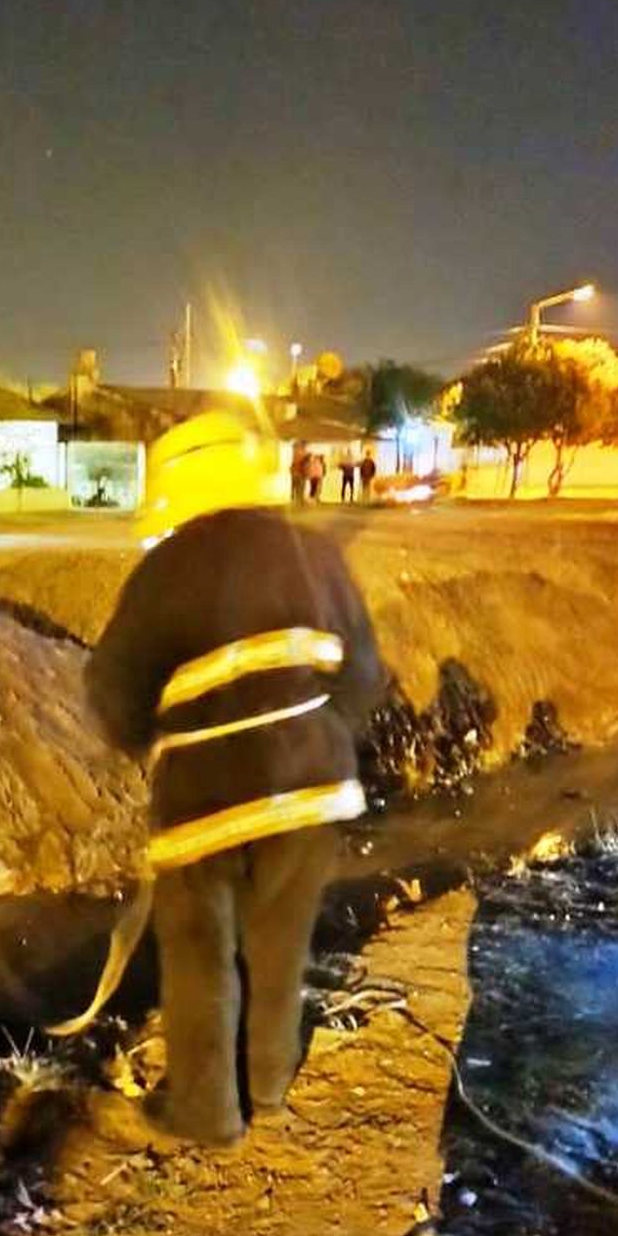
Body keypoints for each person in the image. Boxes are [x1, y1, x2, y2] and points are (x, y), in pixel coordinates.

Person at [86, 412, 383, 1144]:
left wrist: (149, 746)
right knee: (279, 949)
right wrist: (324, 732)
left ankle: (207, 1110)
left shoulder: (165, 568)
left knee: (197, 956)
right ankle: (269, 1085)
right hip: (313, 790)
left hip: (204, 801)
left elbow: (113, 687)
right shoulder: (314, 554)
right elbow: (366, 674)